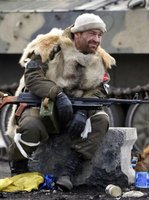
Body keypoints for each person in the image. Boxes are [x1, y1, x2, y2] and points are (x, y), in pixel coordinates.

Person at [7, 13, 116, 191]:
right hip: (42, 107)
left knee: (101, 120)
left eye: (99, 35)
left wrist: (82, 113)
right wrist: (57, 94)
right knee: (30, 125)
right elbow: (32, 77)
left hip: (74, 114)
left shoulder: (100, 60)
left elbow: (98, 91)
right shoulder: (49, 47)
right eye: (92, 34)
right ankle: (19, 168)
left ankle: (69, 170)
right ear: (78, 34)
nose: (96, 39)